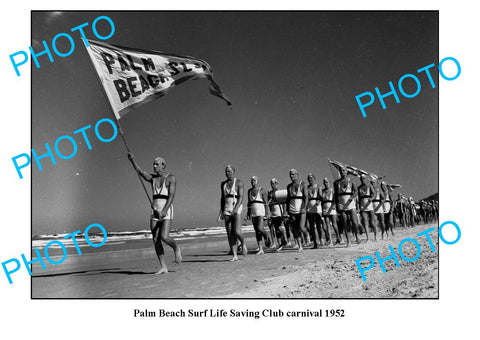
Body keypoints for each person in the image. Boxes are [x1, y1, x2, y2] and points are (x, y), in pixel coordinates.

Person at [127, 153, 181, 274]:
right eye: (153, 164)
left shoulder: (171, 178)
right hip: (154, 211)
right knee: (156, 238)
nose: (154, 166)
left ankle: (176, 248)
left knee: (164, 237)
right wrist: (132, 161)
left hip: (166, 210)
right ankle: (163, 267)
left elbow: (171, 196)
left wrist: (165, 210)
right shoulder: (152, 179)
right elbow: (140, 172)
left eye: (157, 164)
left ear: (163, 165)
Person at [218, 165, 247, 261]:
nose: (227, 173)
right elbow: (222, 199)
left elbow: (241, 197)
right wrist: (221, 212)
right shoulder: (223, 184)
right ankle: (235, 255)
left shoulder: (239, 182)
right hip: (227, 209)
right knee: (230, 233)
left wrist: (236, 208)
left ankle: (243, 243)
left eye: (229, 171)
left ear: (234, 172)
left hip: (236, 208)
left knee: (237, 231)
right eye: (226, 171)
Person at [333, 166, 363, 246]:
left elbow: (356, 191)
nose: (342, 172)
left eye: (343, 170)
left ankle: (357, 235)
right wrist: (336, 206)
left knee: (354, 222)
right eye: (341, 170)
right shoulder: (336, 182)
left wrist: (352, 198)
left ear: (347, 172)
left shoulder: (351, 181)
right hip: (341, 204)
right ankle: (348, 241)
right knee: (344, 223)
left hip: (350, 203)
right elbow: (335, 195)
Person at [246, 176, 272, 254]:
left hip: (261, 212)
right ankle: (261, 249)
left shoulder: (262, 190)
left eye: (254, 180)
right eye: (251, 180)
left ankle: (267, 236)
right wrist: (248, 213)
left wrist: (267, 213)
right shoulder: (249, 191)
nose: (252, 182)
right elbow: (249, 203)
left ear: (257, 181)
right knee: (257, 231)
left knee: (260, 228)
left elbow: (266, 203)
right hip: (253, 213)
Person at [286, 169, 309, 251]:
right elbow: (288, 199)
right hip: (292, 209)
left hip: (301, 208)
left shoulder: (303, 184)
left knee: (302, 227)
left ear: (297, 174)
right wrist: (286, 210)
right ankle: (300, 246)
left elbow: (306, 197)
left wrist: (304, 207)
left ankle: (307, 235)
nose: (292, 176)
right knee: (294, 228)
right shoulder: (289, 186)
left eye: (293, 174)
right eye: (290, 175)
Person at [268, 178, 288, 251]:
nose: (273, 185)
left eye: (274, 183)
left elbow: (284, 203)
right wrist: (269, 213)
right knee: (276, 229)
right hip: (273, 213)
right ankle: (280, 244)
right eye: (272, 183)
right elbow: (268, 204)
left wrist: (284, 212)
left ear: (277, 184)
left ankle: (284, 238)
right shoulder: (270, 193)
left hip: (279, 212)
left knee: (280, 228)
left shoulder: (279, 192)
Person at [321, 177, 342, 245]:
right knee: (327, 224)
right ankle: (330, 240)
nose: (326, 183)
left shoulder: (332, 190)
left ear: (329, 183)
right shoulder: (322, 191)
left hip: (331, 207)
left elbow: (335, 199)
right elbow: (321, 201)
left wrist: (334, 205)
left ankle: (338, 237)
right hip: (325, 207)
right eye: (325, 182)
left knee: (334, 224)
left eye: (327, 182)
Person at [306, 173, 325, 248]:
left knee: (318, 226)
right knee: (311, 226)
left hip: (317, 208)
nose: (310, 180)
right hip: (309, 208)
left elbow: (320, 195)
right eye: (309, 178)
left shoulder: (318, 186)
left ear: (314, 178)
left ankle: (321, 239)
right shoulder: (307, 188)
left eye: (311, 178)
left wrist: (318, 201)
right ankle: (315, 242)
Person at [358, 174, 376, 241]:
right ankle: (368, 238)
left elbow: (374, 194)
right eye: (361, 179)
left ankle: (375, 236)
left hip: (370, 205)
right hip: (363, 206)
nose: (363, 180)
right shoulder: (359, 187)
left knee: (372, 222)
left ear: (366, 179)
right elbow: (359, 198)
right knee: (365, 222)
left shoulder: (370, 186)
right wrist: (359, 207)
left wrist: (372, 198)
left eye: (364, 178)